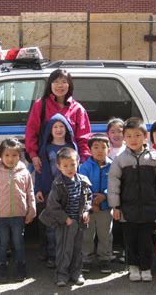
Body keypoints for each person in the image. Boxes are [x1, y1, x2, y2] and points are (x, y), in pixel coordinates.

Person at [108, 117, 156, 282]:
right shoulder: (120, 159)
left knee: (146, 240)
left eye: (137, 135)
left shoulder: (155, 158)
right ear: (124, 138)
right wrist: (116, 207)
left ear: (145, 137)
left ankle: (146, 267)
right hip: (128, 209)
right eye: (128, 136)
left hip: (150, 209)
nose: (133, 139)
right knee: (130, 240)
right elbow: (113, 183)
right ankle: (133, 266)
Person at [39, 147, 92, 287]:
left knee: (77, 249)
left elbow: (88, 198)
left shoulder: (83, 181)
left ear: (78, 163)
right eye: (65, 166)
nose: (70, 168)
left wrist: (86, 211)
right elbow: (52, 205)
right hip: (65, 223)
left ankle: (76, 273)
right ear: (58, 166)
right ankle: (61, 274)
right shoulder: (58, 184)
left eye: (73, 164)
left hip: (79, 222)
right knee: (64, 250)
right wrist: (65, 219)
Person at [0, 139, 36, 283]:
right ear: (1, 156)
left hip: (19, 216)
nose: (10, 159)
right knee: (2, 243)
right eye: (6, 155)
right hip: (1, 217)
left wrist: (31, 211)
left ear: (19, 156)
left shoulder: (24, 172)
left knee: (18, 242)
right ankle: (1, 267)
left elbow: (30, 192)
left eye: (14, 155)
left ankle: (20, 267)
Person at [25, 68, 91, 174]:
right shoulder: (40, 105)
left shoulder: (77, 109)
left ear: (69, 85)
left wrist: (83, 160)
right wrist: (34, 155)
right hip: (43, 162)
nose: (59, 86)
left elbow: (84, 138)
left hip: (71, 165)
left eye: (64, 82)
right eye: (55, 82)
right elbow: (31, 131)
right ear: (50, 84)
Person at [35, 113, 77, 267]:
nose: (59, 129)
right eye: (55, 127)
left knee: (68, 223)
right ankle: (53, 254)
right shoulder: (46, 148)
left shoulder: (72, 147)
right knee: (52, 226)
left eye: (62, 126)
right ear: (50, 130)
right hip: (50, 191)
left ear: (67, 129)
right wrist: (38, 188)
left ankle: (67, 255)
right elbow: (39, 170)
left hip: (69, 191)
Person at [79, 134, 113, 274]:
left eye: (103, 147)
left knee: (105, 235)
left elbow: (114, 184)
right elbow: (82, 185)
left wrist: (104, 195)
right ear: (90, 150)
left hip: (106, 208)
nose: (99, 150)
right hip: (89, 208)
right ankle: (86, 258)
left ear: (109, 149)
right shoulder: (85, 167)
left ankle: (104, 259)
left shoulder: (113, 166)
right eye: (96, 147)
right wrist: (92, 201)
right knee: (87, 234)